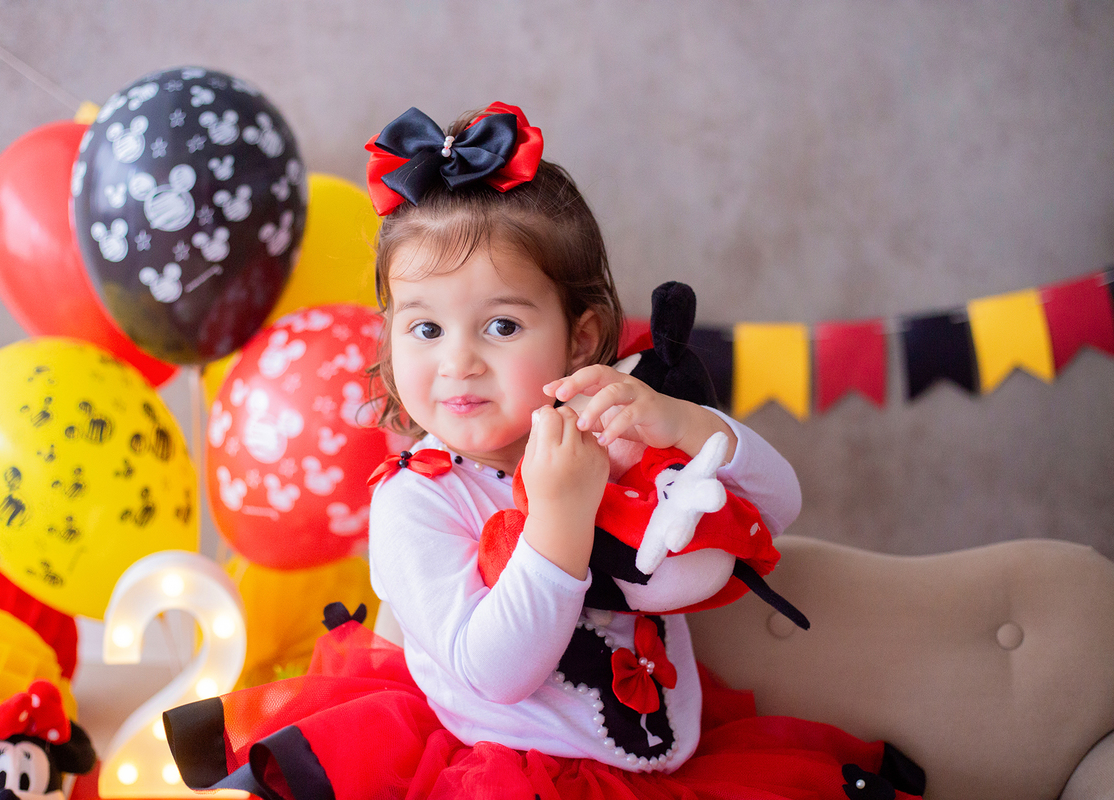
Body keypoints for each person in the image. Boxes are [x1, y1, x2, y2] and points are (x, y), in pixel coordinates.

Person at [164, 102, 924, 800]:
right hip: (503, 772)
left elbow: (775, 511)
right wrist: (559, 519)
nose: (458, 362)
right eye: (425, 328)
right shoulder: (417, 500)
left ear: (581, 338)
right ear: (390, 335)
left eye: (501, 326)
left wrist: (685, 426)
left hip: (669, 768)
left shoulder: (611, 432)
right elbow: (493, 671)